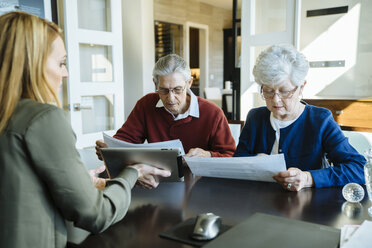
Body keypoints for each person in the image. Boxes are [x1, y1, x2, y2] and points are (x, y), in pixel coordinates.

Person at [0, 11, 170, 248]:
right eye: (61, 63)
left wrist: (80, 181)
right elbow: (97, 214)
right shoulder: (43, 119)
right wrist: (132, 172)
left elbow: (20, 186)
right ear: (31, 64)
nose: (66, 73)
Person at [234, 44, 365, 191]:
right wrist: (255, 161)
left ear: (301, 87)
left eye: (284, 92)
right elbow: (238, 161)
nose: (276, 100)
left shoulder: (320, 119)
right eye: (268, 91)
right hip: (259, 202)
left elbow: (359, 168)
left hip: (306, 206)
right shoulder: (255, 117)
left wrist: (308, 178)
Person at [96, 54, 235, 158]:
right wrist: (109, 149)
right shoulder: (146, 104)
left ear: (189, 83)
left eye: (177, 89)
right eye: (163, 90)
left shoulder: (212, 113)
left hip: (201, 183)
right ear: (155, 83)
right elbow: (126, 140)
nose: (170, 98)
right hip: (157, 182)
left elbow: (230, 155)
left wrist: (208, 155)